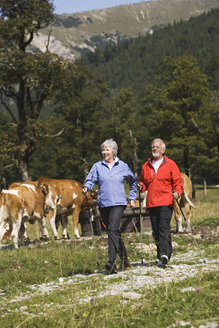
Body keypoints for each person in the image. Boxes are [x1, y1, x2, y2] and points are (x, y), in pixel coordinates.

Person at [82, 139, 137, 274]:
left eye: (107, 150)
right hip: (103, 203)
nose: (104, 152)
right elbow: (90, 180)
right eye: (103, 150)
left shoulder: (122, 165)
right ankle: (125, 262)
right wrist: (86, 187)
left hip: (118, 203)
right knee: (114, 232)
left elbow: (133, 182)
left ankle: (111, 262)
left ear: (113, 151)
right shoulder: (97, 166)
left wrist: (132, 197)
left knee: (112, 229)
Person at [138, 138, 183, 267]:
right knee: (155, 231)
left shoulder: (170, 164)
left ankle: (166, 254)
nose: (155, 149)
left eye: (157, 147)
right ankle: (160, 256)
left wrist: (178, 192)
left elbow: (178, 182)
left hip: (165, 200)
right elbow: (144, 182)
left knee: (164, 227)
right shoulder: (146, 166)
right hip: (152, 202)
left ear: (163, 150)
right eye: (153, 147)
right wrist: (141, 186)